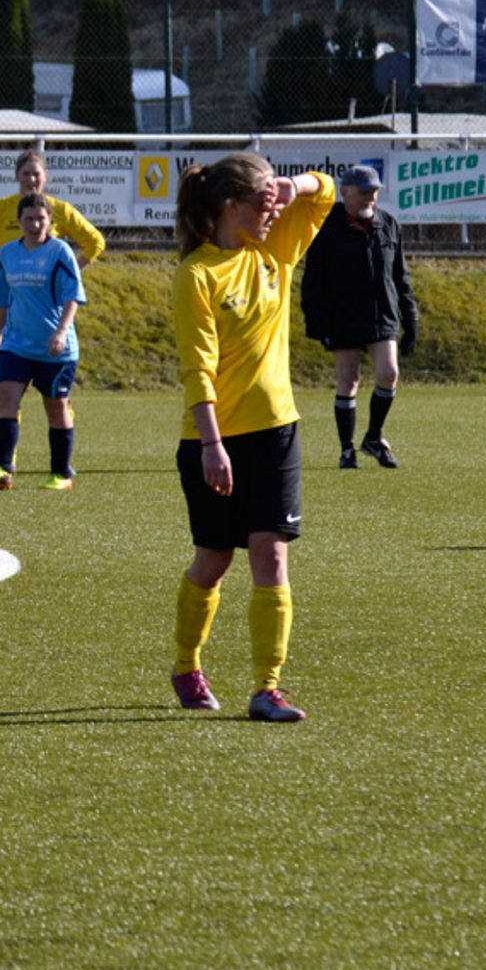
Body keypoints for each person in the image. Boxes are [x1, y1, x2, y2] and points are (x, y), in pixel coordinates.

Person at [169, 154, 335, 724]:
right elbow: (197, 368)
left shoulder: (274, 250)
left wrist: (292, 185)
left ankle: (268, 688)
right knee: (213, 561)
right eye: (261, 202)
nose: (273, 213)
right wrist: (212, 444)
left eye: (273, 203)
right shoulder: (197, 274)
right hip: (213, 440)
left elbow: (327, 192)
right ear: (230, 206)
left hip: (276, 433)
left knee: (271, 552)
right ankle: (186, 664)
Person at [299, 163, 417, 470]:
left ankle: (374, 437)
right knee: (348, 380)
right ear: (345, 192)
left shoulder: (388, 224)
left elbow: (400, 277)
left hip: (382, 315)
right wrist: (316, 322)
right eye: (364, 192)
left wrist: (411, 320)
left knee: (389, 373)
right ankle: (347, 449)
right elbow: (313, 279)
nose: (370, 198)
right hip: (343, 316)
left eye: (374, 192)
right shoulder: (326, 227)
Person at [0, 193, 86, 492]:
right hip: (16, 345)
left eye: (41, 218)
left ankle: (61, 474)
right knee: (6, 398)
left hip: (55, 348)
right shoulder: (8, 254)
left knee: (56, 407)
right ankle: (2, 470)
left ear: (50, 221)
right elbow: (2, 301)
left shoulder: (60, 252)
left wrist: (61, 332)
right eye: (29, 218)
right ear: (19, 221)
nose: (35, 224)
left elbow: (73, 297)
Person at [0, 149, 105, 287]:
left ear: (45, 176)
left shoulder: (60, 209)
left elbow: (96, 242)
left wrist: (69, 273)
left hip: (48, 297)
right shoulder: (0, 208)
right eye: (26, 174)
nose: (31, 179)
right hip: (11, 296)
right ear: (17, 175)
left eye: (36, 174)